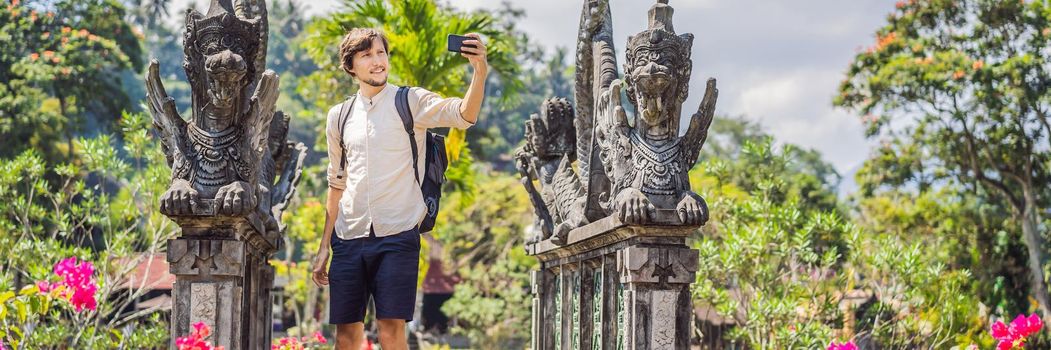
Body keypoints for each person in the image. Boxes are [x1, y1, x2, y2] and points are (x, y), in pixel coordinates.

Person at [310, 27, 488, 350]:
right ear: (351, 66)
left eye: (381, 53)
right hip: (348, 236)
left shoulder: (410, 102)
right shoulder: (339, 117)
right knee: (346, 335)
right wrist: (324, 246)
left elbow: (464, 115)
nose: (377, 61)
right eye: (367, 55)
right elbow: (336, 184)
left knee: (391, 331)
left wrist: (480, 71)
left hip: (398, 235)